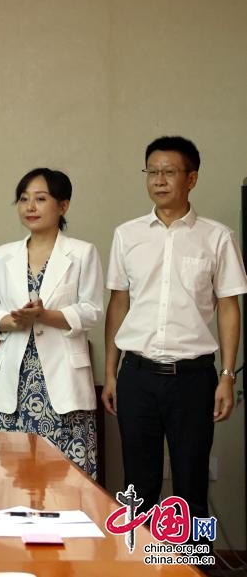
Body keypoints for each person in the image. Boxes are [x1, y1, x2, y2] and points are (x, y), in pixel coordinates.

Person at [103, 136, 246, 521]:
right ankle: (141, 556)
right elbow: (118, 304)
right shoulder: (127, 235)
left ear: (191, 178)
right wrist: (111, 373)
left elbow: (229, 307)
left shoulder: (217, 237)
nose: (159, 180)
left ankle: (193, 556)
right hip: (137, 375)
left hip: (193, 379)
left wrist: (227, 376)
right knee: (138, 487)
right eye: (152, 171)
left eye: (169, 172)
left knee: (191, 485)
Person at [0, 168, 102, 476]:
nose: (30, 207)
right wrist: (11, 320)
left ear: (63, 205)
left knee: (67, 482)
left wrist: (46, 316)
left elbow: (92, 310)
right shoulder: (3, 254)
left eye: (40, 199)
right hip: (16, 381)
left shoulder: (82, 253)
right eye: (23, 199)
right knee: (10, 479)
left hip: (63, 383)